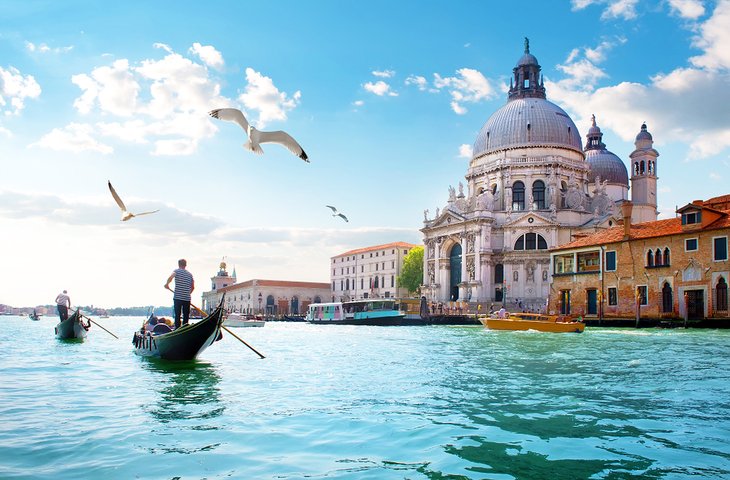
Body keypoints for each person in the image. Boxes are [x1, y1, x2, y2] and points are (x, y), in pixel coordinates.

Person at [165, 259, 195, 329]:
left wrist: (167, 284)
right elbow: (193, 287)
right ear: (185, 265)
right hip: (187, 298)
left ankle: (177, 328)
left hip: (177, 297)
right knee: (186, 315)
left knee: (177, 314)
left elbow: (170, 277)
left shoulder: (176, 271)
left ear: (178, 264)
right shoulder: (190, 274)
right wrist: (187, 293)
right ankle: (185, 328)